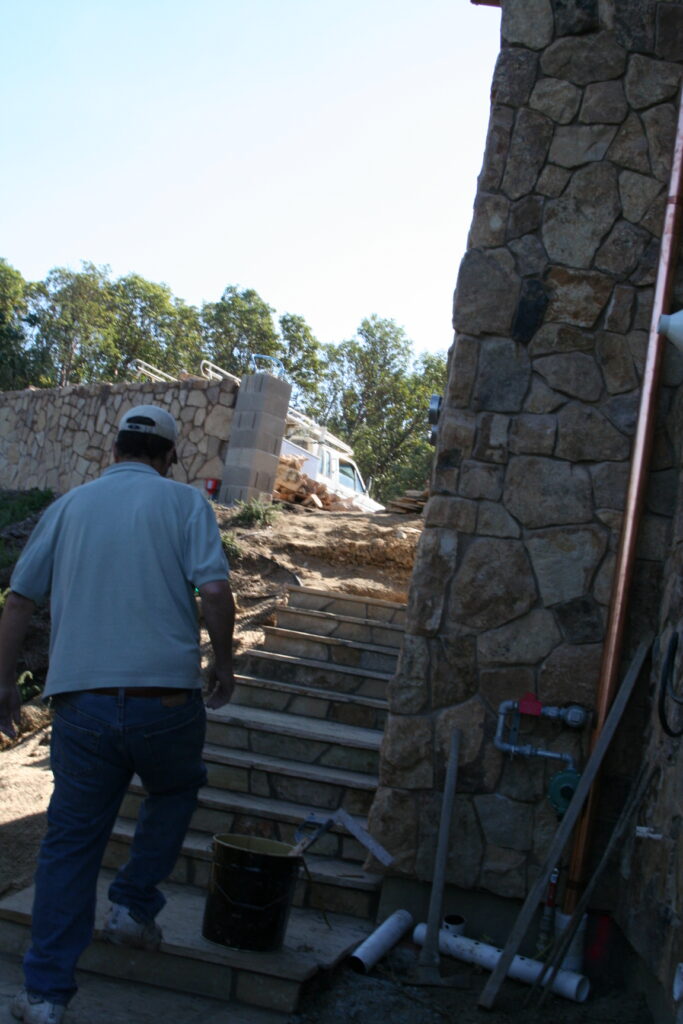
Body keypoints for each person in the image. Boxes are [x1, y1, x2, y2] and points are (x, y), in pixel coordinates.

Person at [0, 404, 236, 1024]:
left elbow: (20, 600)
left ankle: (46, 996)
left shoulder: (69, 507)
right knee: (177, 787)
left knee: (70, 845)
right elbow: (214, 591)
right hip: (166, 701)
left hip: (83, 705)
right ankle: (132, 905)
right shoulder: (186, 505)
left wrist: (4, 685)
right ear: (167, 457)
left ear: (114, 450)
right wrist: (224, 665)